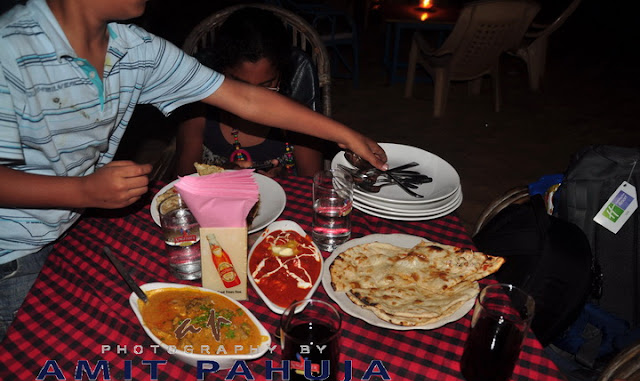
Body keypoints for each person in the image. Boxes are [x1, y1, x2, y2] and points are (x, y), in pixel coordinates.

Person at [0, 0, 387, 341]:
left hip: (76, 224)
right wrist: (82, 192)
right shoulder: (8, 50)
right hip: (15, 252)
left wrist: (344, 134)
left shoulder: (136, 47)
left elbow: (245, 99)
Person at [175, 7, 325, 178]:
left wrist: (284, 179)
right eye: (240, 86)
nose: (253, 100)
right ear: (221, 72)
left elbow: (313, 184)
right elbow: (182, 182)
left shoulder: (298, 117)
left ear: (281, 76)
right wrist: (221, 175)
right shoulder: (200, 112)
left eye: (266, 86)